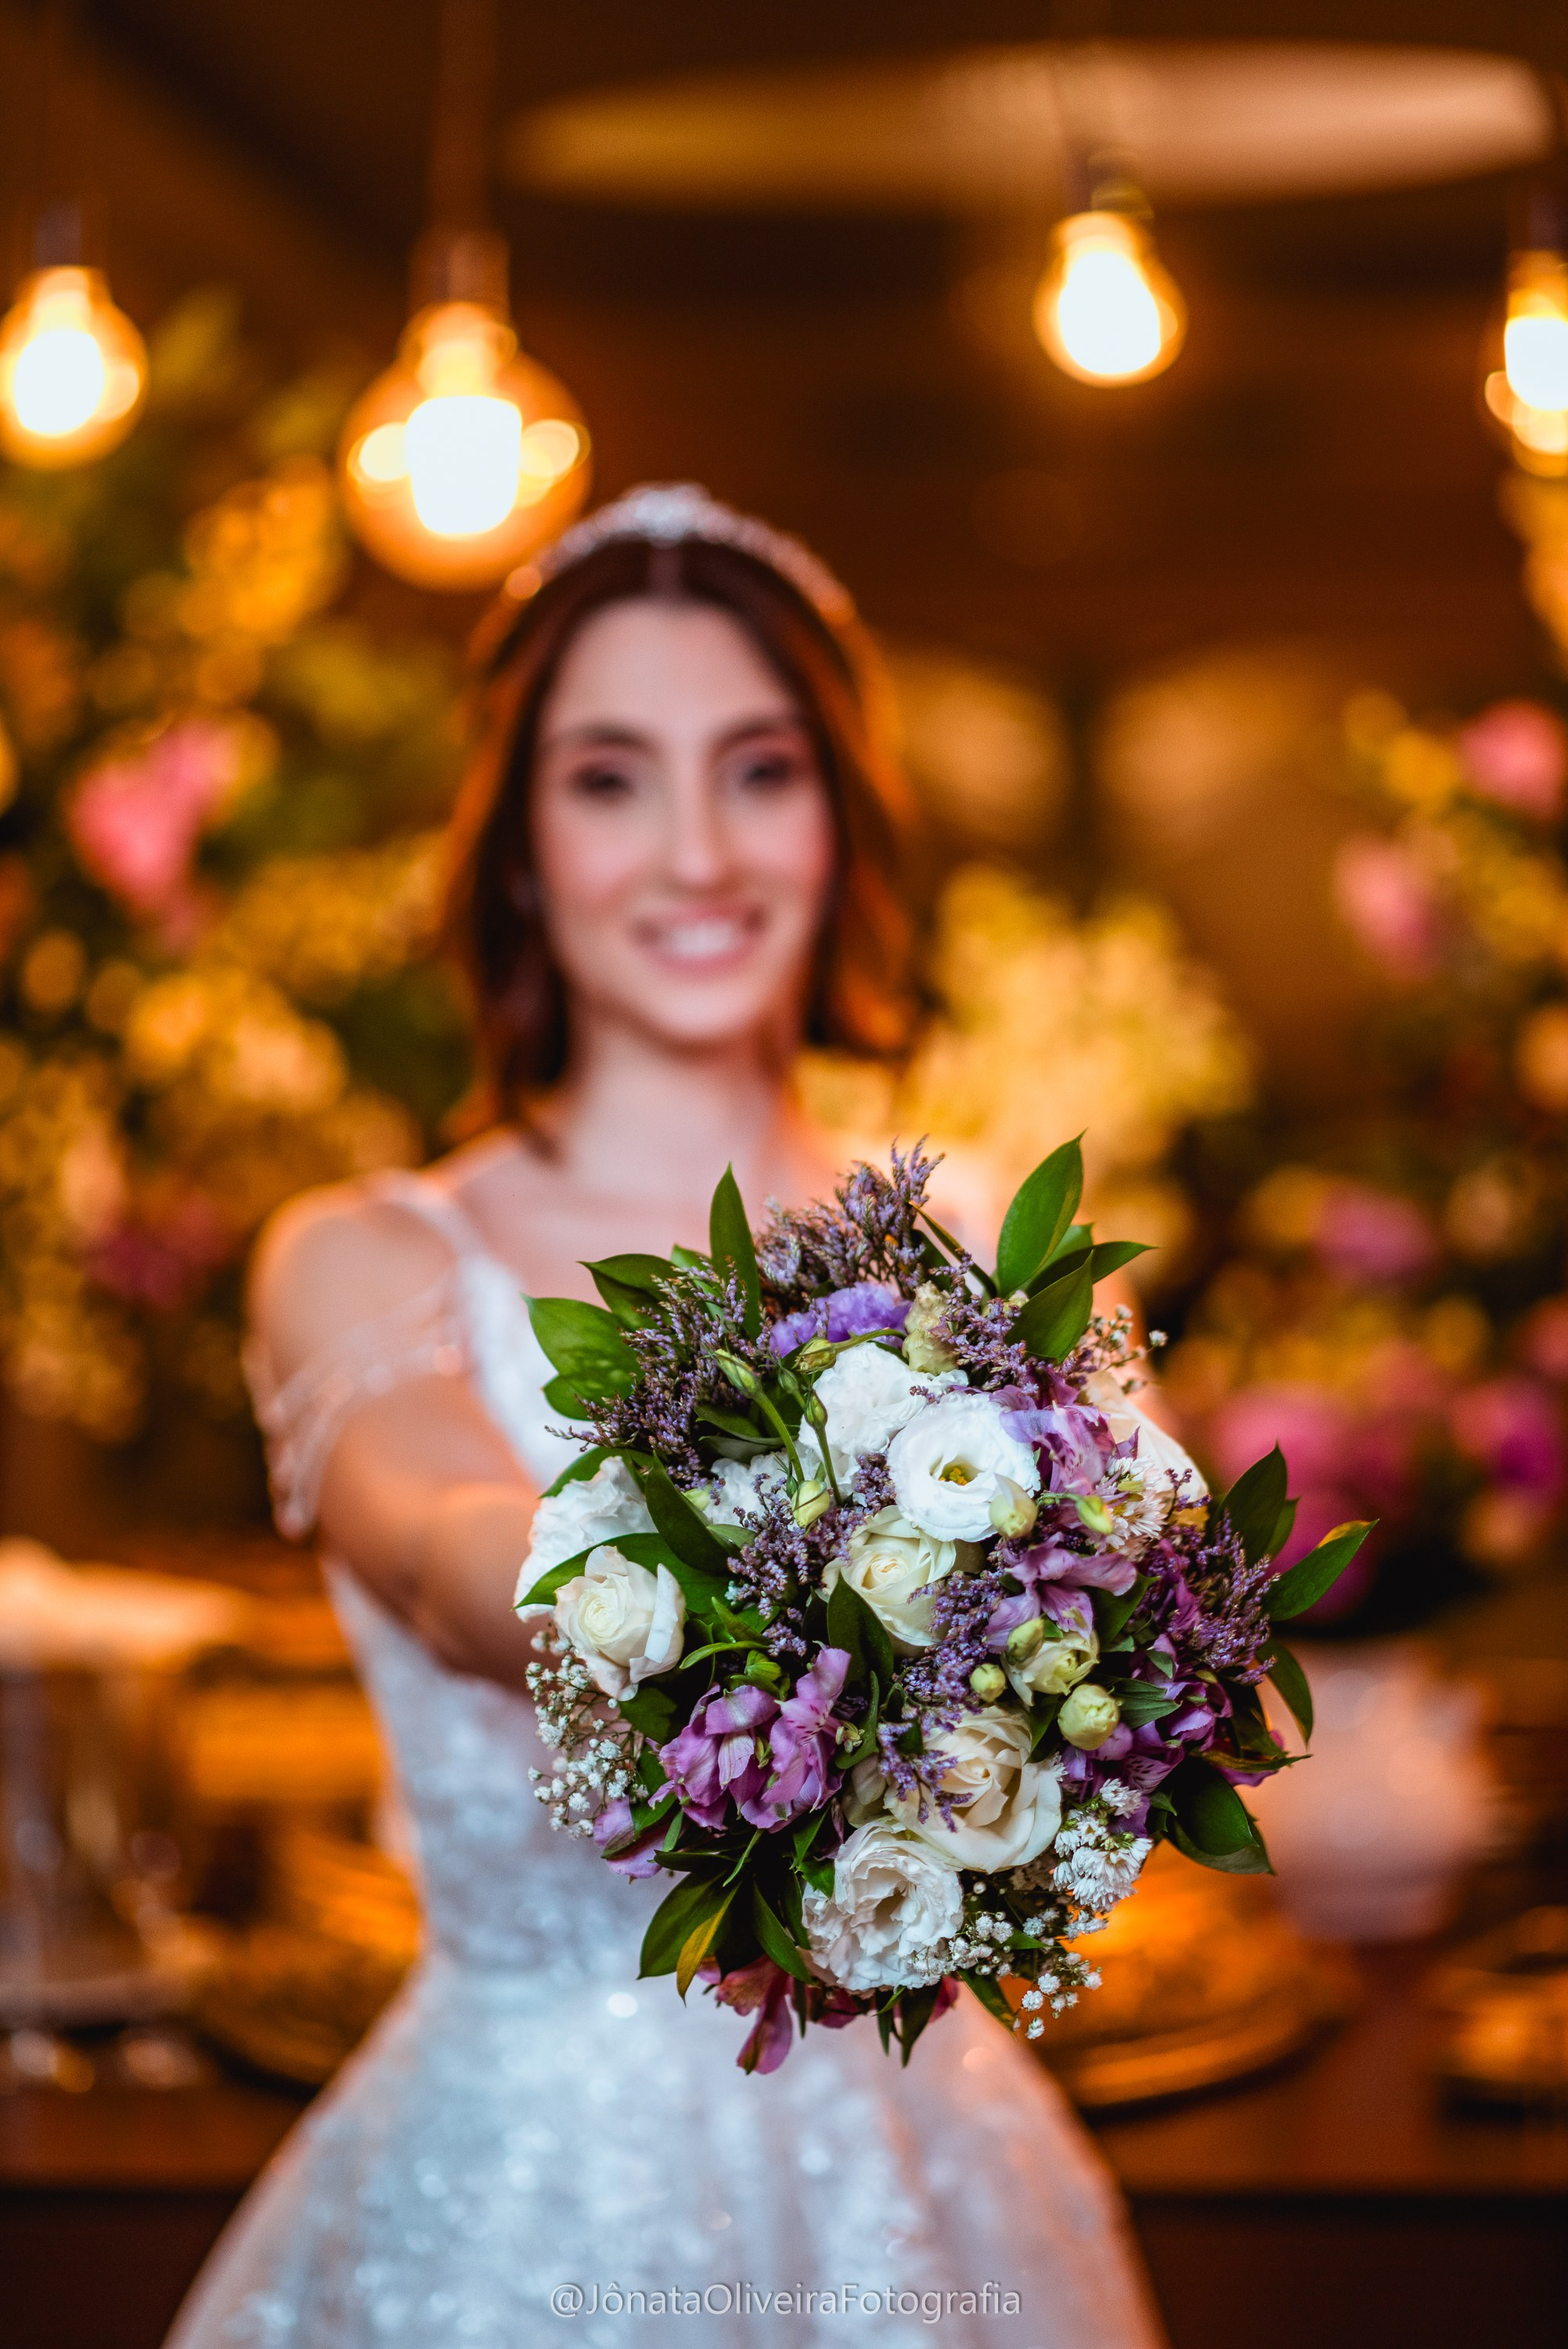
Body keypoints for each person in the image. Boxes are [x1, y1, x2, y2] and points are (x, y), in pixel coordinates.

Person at [167, 485, 1166, 2349]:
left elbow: (1117, 1691)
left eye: (760, 770)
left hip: (928, 2176)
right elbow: (453, 1555)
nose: (697, 851)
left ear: (842, 814)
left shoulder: (1006, 1255)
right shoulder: (363, 1257)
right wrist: (799, 1584)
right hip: (517, 2202)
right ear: (519, 845)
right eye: (611, 778)